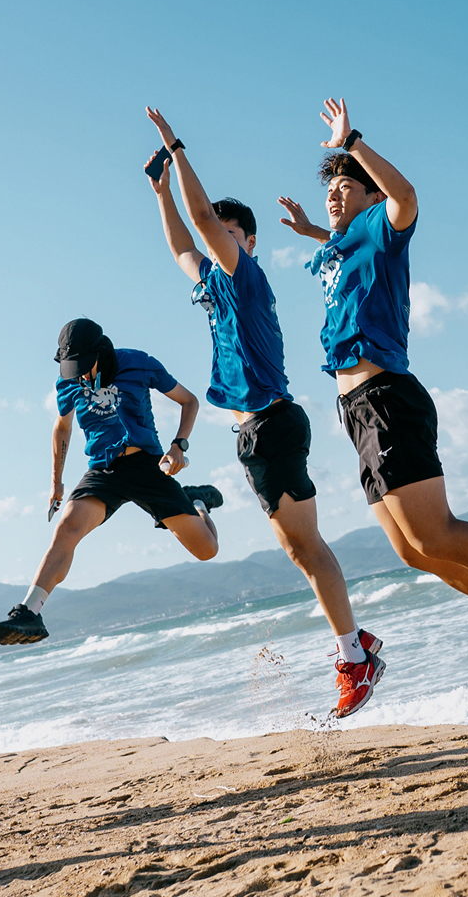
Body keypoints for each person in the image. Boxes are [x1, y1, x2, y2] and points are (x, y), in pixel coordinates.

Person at [277, 99, 468, 684]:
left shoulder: (382, 225)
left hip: (386, 397)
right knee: (412, 549)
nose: (334, 194)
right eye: (331, 189)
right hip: (355, 409)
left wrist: (353, 143)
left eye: (347, 186)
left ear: (371, 196)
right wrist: (313, 231)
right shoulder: (341, 246)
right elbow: (343, 246)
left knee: (434, 531)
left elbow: (406, 198)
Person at [142, 107, 385, 718]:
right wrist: (162, 194)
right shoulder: (211, 283)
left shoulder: (246, 277)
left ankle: (354, 655)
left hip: (273, 424)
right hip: (255, 432)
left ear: (247, 242)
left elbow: (202, 222)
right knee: (300, 550)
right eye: (217, 238)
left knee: (307, 548)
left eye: (227, 235)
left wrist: (176, 148)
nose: (215, 242)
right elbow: (183, 243)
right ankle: (355, 643)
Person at [0, 319, 223, 645]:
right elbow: (62, 427)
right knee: (68, 527)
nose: (82, 376)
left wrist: (178, 445)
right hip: (103, 470)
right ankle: (30, 610)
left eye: (84, 367)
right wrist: (56, 482)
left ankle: (196, 502)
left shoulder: (138, 363)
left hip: (146, 465)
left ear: (101, 352)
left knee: (207, 550)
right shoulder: (68, 381)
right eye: (74, 369)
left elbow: (189, 401)